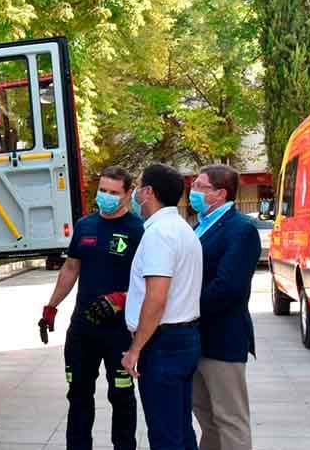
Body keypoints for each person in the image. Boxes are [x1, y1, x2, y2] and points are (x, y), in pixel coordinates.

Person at [39, 166, 143, 450]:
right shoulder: (85, 226)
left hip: (120, 333)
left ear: (127, 194)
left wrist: (121, 299)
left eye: (113, 192)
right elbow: (71, 268)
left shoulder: (138, 230)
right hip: (83, 330)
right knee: (78, 396)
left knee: (122, 397)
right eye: (102, 190)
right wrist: (51, 306)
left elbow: (149, 281)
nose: (106, 197)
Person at [122, 163, 203, 450]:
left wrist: (135, 349)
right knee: (180, 428)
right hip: (183, 339)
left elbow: (156, 298)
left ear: (148, 192)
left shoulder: (159, 234)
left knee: (165, 435)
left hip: (163, 344)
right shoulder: (182, 228)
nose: (135, 194)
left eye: (139, 187)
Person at [188, 165, 260, 450]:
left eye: (199, 186)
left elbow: (228, 287)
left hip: (223, 339)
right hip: (196, 337)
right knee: (207, 419)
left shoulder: (241, 229)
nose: (192, 191)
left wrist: (186, 308)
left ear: (220, 193)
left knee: (230, 420)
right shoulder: (201, 225)